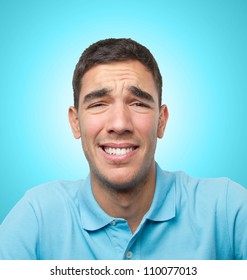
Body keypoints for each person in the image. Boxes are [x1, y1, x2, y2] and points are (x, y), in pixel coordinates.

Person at [0, 38, 246, 260]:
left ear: (161, 121)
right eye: (98, 104)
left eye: (138, 103)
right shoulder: (36, 218)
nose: (119, 124)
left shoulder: (227, 210)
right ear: (75, 122)